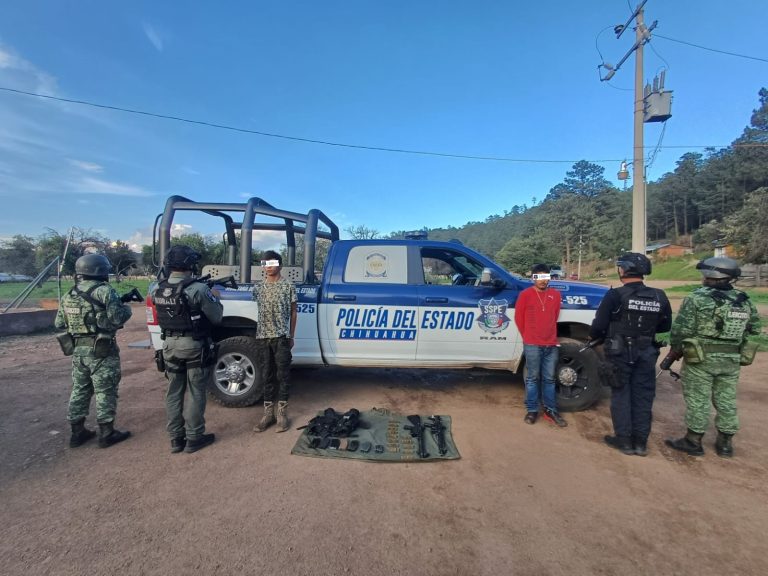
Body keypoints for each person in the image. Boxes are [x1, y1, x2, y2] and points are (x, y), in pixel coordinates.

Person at [665, 257, 761, 458]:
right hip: (731, 360)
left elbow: (682, 330)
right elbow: (754, 329)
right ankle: (725, 444)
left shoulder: (696, 298)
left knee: (698, 399)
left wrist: (675, 350)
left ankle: (693, 441)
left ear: (712, 275)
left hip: (700, 359)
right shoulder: (744, 300)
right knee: (726, 400)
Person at [589, 252, 672, 456]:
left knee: (621, 395)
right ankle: (641, 443)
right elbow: (665, 325)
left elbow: (598, 326)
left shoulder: (615, 295)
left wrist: (599, 336)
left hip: (619, 353)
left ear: (623, 270)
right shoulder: (659, 295)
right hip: (647, 352)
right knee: (643, 397)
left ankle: (624, 440)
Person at [55, 253, 133, 448]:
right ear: (100, 271)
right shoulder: (105, 291)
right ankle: (107, 433)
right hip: (102, 350)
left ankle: (77, 432)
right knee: (105, 390)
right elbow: (117, 318)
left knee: (80, 389)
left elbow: (58, 322)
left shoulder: (69, 294)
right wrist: (126, 308)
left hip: (78, 350)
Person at [152, 245, 223, 454]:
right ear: (190, 264)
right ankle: (194, 437)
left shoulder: (157, 287)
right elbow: (216, 317)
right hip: (192, 346)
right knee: (195, 391)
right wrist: (215, 296)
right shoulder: (198, 289)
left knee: (173, 392)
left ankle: (176, 439)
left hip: (168, 345)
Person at [514, 263, 567, 427]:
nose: (543, 281)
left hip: (551, 344)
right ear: (533, 278)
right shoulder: (525, 295)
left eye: (546, 277)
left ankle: (550, 409)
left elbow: (555, 315)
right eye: (539, 277)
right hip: (532, 344)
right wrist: (528, 337)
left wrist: (547, 334)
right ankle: (532, 410)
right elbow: (518, 317)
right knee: (532, 378)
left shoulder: (556, 295)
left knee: (550, 379)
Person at [252, 250, 297, 433]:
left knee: (283, 375)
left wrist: (291, 335)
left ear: (279, 264)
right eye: (265, 263)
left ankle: (282, 414)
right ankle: (267, 414)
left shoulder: (288, 286)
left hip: (281, 337)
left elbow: (294, 311)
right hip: (263, 336)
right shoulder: (258, 288)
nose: (268, 267)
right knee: (266, 375)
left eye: (271, 263)